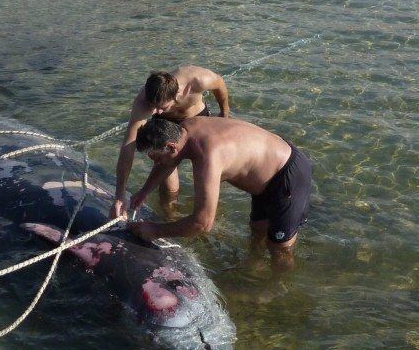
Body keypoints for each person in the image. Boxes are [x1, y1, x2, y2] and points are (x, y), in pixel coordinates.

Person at [125, 115, 312, 268]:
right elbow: (169, 161)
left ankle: (279, 288)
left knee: (279, 248)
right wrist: (145, 191)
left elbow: (203, 223)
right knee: (258, 231)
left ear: (172, 147)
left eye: (157, 158)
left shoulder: (207, 156)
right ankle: (255, 269)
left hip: (287, 176)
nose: (156, 164)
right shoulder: (184, 128)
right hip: (265, 178)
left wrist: (155, 230)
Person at [110, 66, 230, 219]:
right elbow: (128, 146)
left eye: (162, 107)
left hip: (198, 119)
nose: (157, 112)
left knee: (208, 171)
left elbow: (220, 84)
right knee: (168, 184)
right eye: (155, 107)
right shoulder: (145, 102)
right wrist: (119, 195)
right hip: (164, 125)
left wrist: (224, 113)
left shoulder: (198, 80)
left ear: (176, 95)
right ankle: (169, 215)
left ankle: (211, 213)